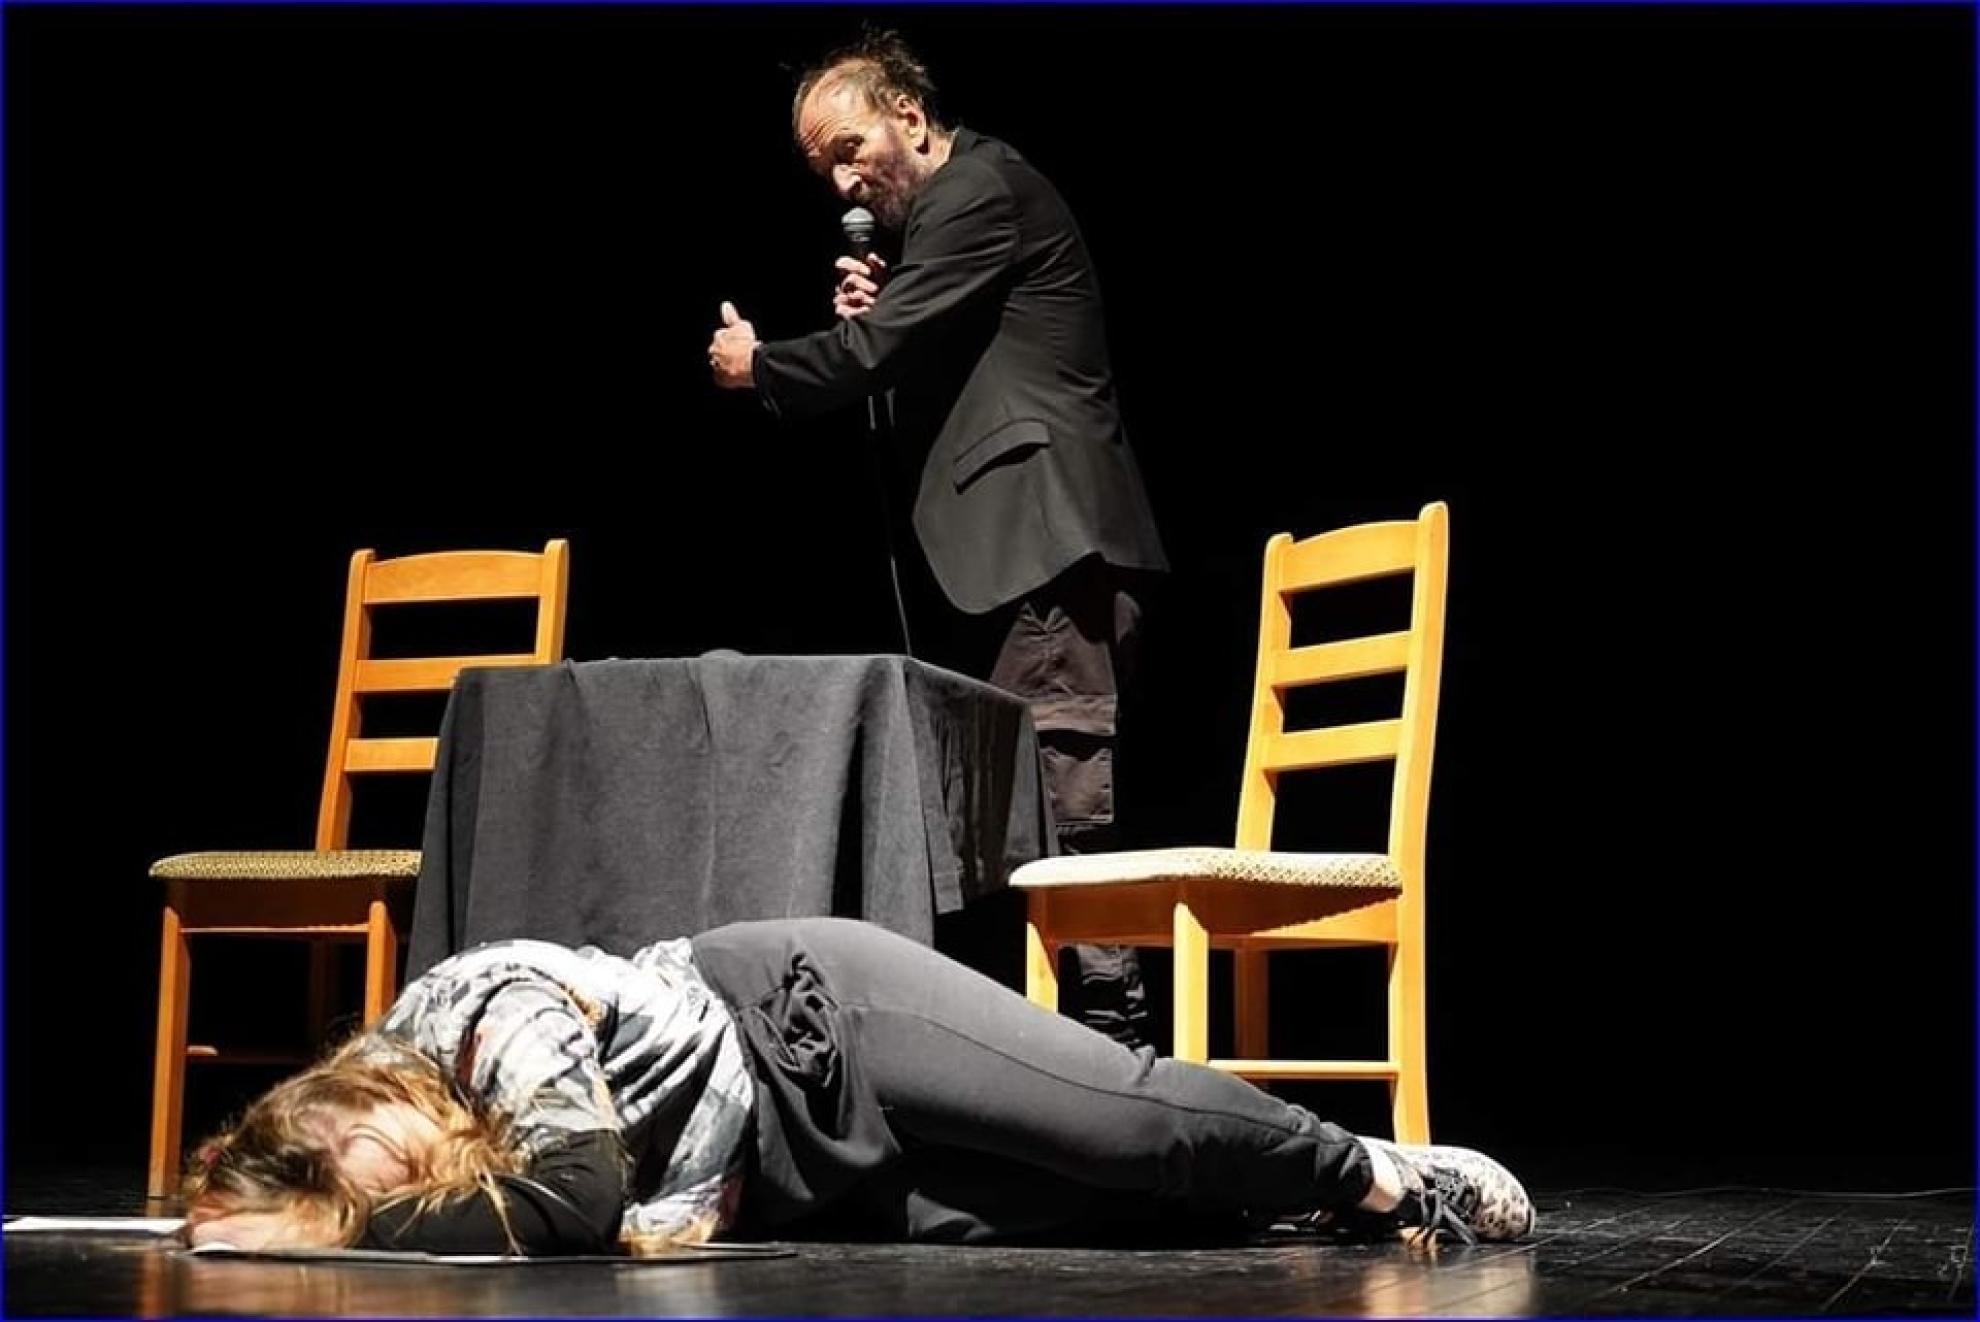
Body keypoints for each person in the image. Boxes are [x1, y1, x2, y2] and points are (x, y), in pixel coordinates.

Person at [706, 31, 1168, 1049]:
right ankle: (1066, 1050)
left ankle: (1115, 1048)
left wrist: (763, 365)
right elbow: (928, 357)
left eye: (852, 149)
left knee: (1063, 800)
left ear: (909, 117)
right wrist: (887, 333)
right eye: (826, 170)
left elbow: (877, 352)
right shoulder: (955, 217)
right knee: (1023, 813)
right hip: (1009, 557)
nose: (844, 183)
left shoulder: (977, 191)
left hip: (1047, 543)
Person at [182, 918, 1534, 1255]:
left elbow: (580, 1190)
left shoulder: (478, 1006)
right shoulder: (399, 1137)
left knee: (1118, 1123)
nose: (413, 1194)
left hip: (805, 1019)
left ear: (360, 1105)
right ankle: (1301, 1205)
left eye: (382, 1176)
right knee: (1104, 1212)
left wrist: (336, 1229)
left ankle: (1377, 1166)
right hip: (771, 1168)